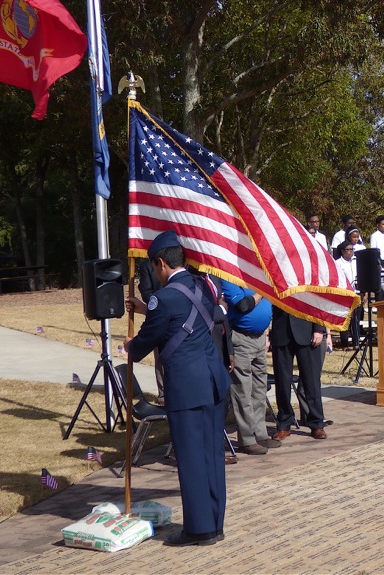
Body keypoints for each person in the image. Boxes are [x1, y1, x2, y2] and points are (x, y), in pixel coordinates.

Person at [124, 230, 231, 546]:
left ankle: (199, 529)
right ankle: (215, 523)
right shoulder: (204, 287)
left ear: (160, 263)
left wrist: (130, 346)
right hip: (213, 381)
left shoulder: (163, 298)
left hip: (187, 386)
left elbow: (147, 339)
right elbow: (184, 313)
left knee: (191, 456)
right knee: (212, 454)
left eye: (154, 268)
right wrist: (146, 308)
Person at [219, 279, 282, 454]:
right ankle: (247, 439)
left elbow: (268, 306)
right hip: (241, 338)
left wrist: (266, 333)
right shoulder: (230, 278)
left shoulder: (257, 276)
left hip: (259, 338)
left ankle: (260, 434)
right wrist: (262, 290)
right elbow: (242, 306)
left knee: (259, 389)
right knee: (243, 391)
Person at [270, 306, 328, 441]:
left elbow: (317, 300)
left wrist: (319, 329)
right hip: (281, 331)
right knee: (282, 382)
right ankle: (284, 423)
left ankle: (316, 423)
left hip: (307, 332)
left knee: (311, 381)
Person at [137, 259, 165, 404]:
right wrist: (160, 305)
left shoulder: (181, 258)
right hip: (158, 316)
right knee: (160, 358)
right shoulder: (148, 265)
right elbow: (146, 291)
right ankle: (163, 396)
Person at [335, 241, 360, 348]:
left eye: (352, 249)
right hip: (344, 294)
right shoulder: (338, 263)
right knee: (345, 319)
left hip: (357, 293)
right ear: (342, 251)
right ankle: (344, 343)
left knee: (356, 319)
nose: (350, 252)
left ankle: (356, 343)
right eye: (348, 250)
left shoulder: (356, 261)